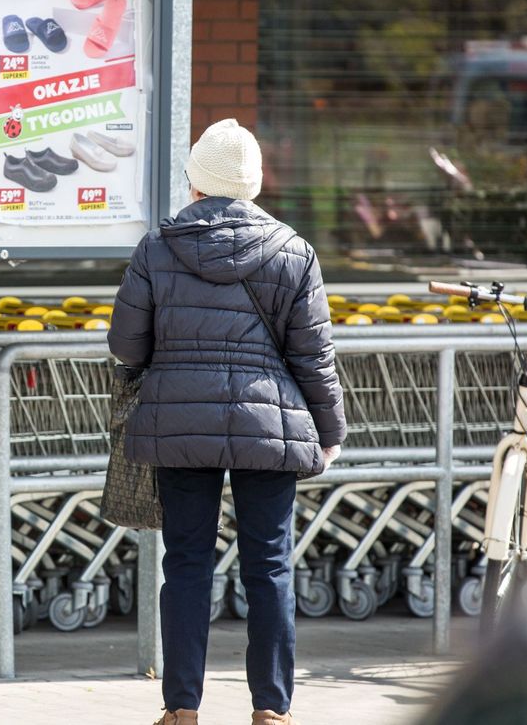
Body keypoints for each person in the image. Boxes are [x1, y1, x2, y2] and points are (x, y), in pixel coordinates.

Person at [107, 119, 347, 725]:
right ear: (254, 185)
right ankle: (271, 710)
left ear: (195, 182)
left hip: (179, 427)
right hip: (271, 426)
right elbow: (313, 357)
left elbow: (126, 346)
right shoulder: (294, 252)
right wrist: (331, 431)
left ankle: (181, 709)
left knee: (186, 562)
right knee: (268, 565)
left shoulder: (157, 249)